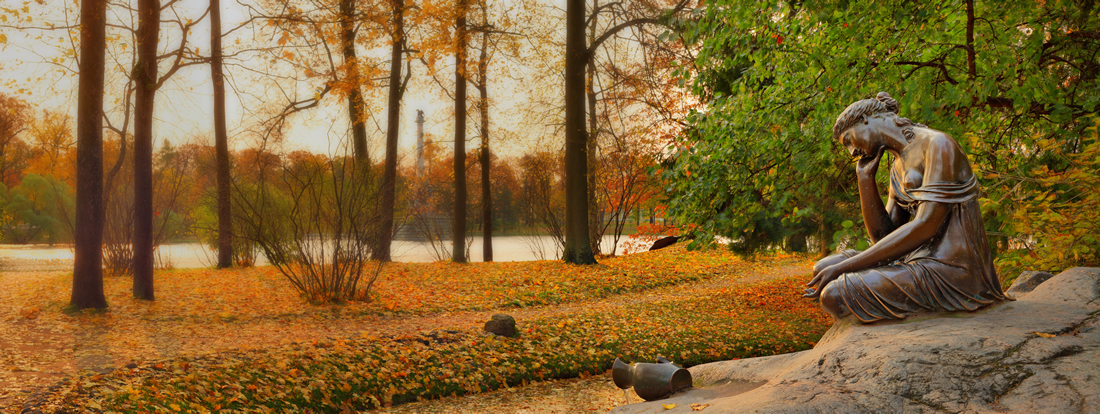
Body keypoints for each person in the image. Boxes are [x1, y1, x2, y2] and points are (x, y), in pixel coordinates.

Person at [804, 92, 1008, 323]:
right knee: (822, 267)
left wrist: (846, 266)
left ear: (865, 119)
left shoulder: (938, 144)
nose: (852, 152)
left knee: (833, 294)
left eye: (849, 139)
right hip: (915, 257)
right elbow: (883, 237)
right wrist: (865, 181)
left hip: (952, 268)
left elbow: (926, 226)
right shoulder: (898, 165)